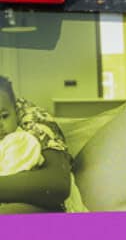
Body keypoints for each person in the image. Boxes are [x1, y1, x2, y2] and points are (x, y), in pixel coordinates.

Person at [0, 76, 74, 213]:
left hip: (36, 204)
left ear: (15, 111)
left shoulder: (22, 139)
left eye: (4, 116)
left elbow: (57, 185)